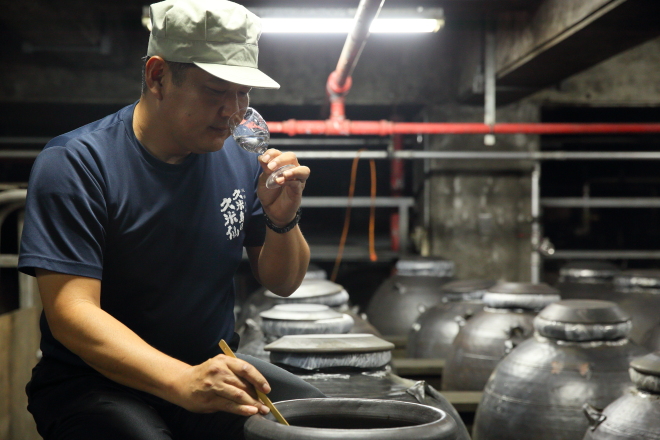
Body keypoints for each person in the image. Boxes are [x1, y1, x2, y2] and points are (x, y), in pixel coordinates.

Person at [17, 0, 324, 439]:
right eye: (217, 91)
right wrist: (181, 381)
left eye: (243, 93)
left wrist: (283, 220)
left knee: (319, 423)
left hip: (211, 367)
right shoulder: (78, 163)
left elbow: (283, 281)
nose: (234, 112)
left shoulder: (239, 156)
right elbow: (71, 311)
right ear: (158, 76)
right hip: (94, 383)